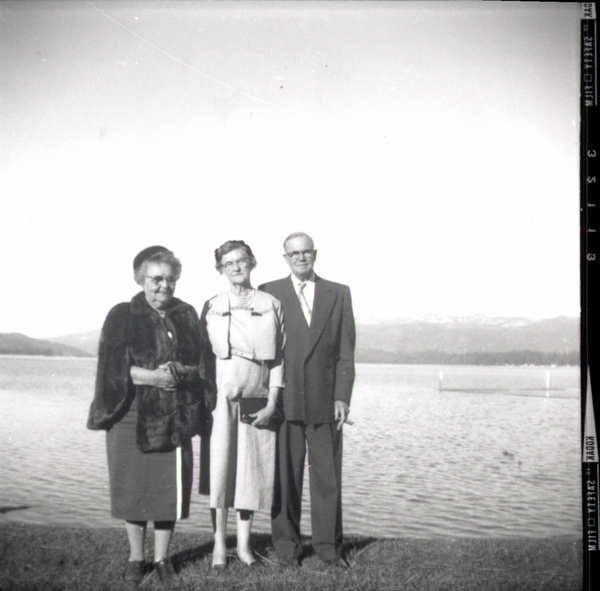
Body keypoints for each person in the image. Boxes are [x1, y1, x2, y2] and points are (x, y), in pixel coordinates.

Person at [87, 246, 213, 587]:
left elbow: (202, 366)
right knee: (133, 489)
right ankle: (135, 558)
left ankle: (161, 558)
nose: (164, 286)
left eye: (171, 278)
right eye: (156, 278)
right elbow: (111, 368)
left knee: (169, 491)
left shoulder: (186, 314)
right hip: (130, 416)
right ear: (140, 279)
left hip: (174, 417)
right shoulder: (122, 315)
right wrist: (151, 376)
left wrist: (179, 370)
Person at [259, 232, 356, 568]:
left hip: (326, 402)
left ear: (315, 254)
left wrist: (342, 396)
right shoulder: (269, 292)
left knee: (327, 479)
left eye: (306, 252)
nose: (301, 258)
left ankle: (328, 549)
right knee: (285, 479)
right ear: (285, 258)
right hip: (284, 400)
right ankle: (287, 548)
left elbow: (346, 352)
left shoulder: (338, 293)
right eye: (294, 253)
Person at [201, 240, 285, 569]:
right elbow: (201, 357)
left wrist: (273, 402)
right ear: (220, 269)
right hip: (221, 398)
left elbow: (279, 358)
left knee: (251, 474)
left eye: (241, 261)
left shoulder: (271, 303)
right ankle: (220, 546)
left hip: (258, 396)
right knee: (221, 472)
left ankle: (245, 547)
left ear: (252, 263)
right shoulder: (211, 304)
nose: (236, 267)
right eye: (228, 263)